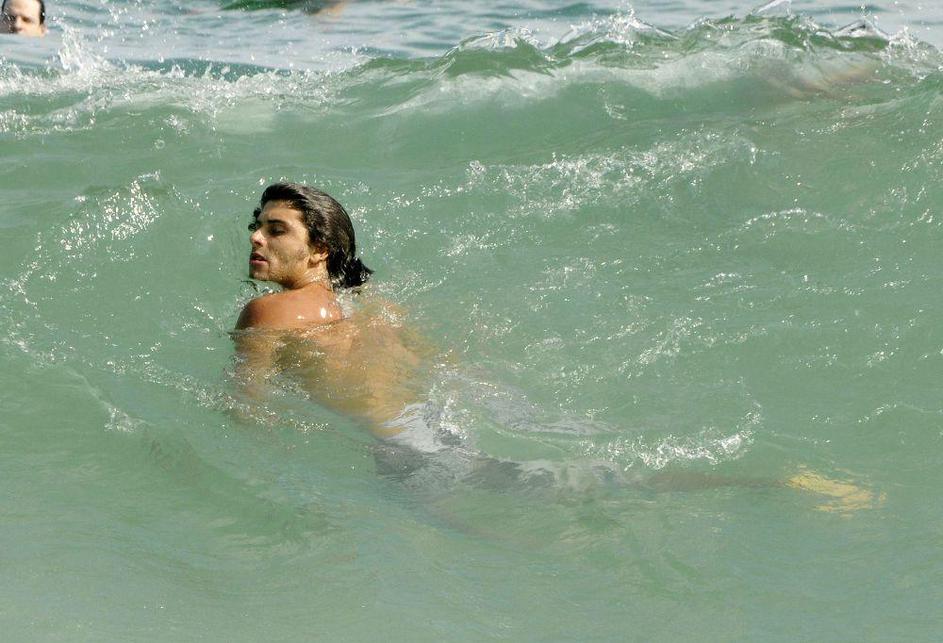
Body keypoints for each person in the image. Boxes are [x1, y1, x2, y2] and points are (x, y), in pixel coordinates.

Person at [233, 182, 430, 438]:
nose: (255, 237)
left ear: (320, 250)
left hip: (394, 442)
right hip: (430, 421)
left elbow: (246, 407)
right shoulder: (377, 308)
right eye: (257, 227)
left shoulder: (267, 310)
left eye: (276, 231)